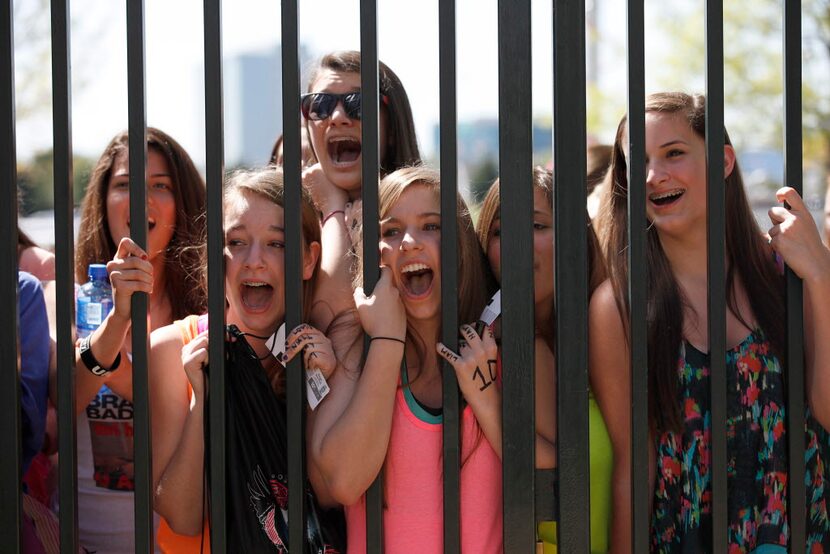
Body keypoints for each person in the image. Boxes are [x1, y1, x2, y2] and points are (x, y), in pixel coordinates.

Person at [591, 92, 830, 552]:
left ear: (722, 161)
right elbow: (632, 471)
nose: (653, 176)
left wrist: (819, 272)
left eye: (673, 153)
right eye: (636, 162)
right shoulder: (618, 307)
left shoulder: (788, 275)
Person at [309, 166, 503, 553]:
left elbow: (550, 472)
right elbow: (342, 483)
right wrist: (386, 339)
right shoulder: (354, 344)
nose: (410, 242)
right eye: (391, 231)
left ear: (462, 243)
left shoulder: (495, 348)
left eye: (431, 226)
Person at [150, 168, 344, 552]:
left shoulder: (319, 355)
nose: (254, 260)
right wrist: (201, 398)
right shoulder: (171, 349)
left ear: (309, 259)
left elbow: (332, 496)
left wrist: (322, 393)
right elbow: (183, 519)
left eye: (277, 244)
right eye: (236, 242)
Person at [73, 128, 207, 553]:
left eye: (160, 186)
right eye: (124, 185)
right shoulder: (65, 297)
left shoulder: (213, 310)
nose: (140, 198)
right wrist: (118, 321)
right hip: (83, 541)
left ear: (183, 200)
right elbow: (61, 402)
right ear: (103, 201)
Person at [476, 166, 612, 553]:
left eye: (537, 226)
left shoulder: (610, 330)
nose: (518, 243)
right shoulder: (477, 349)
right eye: (501, 231)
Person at [300, 51, 421, 332]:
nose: (339, 117)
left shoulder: (427, 211)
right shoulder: (286, 218)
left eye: (359, 103)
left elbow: (334, 316)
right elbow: (325, 321)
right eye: (321, 105)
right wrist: (333, 207)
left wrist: (332, 204)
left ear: (391, 127)